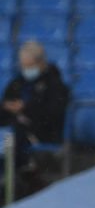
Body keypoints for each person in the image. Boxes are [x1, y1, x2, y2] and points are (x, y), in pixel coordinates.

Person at [0, 41, 70, 196]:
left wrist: (26, 107)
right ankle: (19, 175)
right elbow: (5, 104)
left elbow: (54, 113)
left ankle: (14, 181)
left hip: (43, 131)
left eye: (29, 65)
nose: (26, 70)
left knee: (14, 137)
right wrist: (8, 107)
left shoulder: (54, 85)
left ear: (40, 63)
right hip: (16, 128)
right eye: (23, 66)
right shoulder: (17, 83)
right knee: (11, 134)